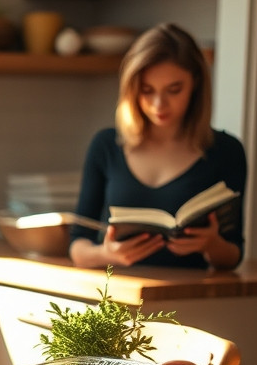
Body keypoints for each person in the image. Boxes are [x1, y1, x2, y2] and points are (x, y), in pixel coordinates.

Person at [69, 23, 246, 271]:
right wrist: (107, 254)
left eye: (174, 90)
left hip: (188, 291)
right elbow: (78, 246)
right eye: (147, 90)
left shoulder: (226, 151)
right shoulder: (106, 146)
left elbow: (233, 255)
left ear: (195, 84)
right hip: (117, 289)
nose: (158, 104)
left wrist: (211, 244)